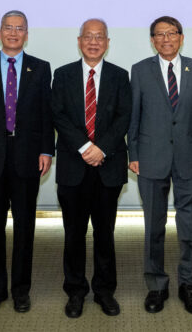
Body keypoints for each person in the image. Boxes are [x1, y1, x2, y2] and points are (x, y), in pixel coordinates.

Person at [128, 15, 192, 315]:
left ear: (181, 37)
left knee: (189, 226)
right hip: (151, 159)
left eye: (172, 33)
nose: (166, 39)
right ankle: (156, 284)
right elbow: (134, 118)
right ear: (152, 40)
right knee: (154, 225)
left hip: (191, 159)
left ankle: (188, 284)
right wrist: (133, 154)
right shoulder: (140, 70)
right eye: (159, 35)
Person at [0, 11, 54, 314]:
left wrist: (47, 150)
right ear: (0, 32)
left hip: (27, 157)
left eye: (20, 28)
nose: (14, 33)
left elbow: (46, 114)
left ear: (26, 34)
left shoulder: (40, 68)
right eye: (9, 28)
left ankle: (20, 290)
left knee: (25, 228)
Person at [51, 18, 132, 318]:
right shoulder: (63, 75)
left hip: (107, 166)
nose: (94, 41)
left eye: (100, 37)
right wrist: (85, 147)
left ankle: (104, 291)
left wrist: (102, 149)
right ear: (79, 40)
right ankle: (75, 291)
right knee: (73, 234)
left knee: (104, 233)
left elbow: (124, 116)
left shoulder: (120, 76)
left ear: (108, 43)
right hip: (74, 166)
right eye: (88, 36)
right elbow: (57, 114)